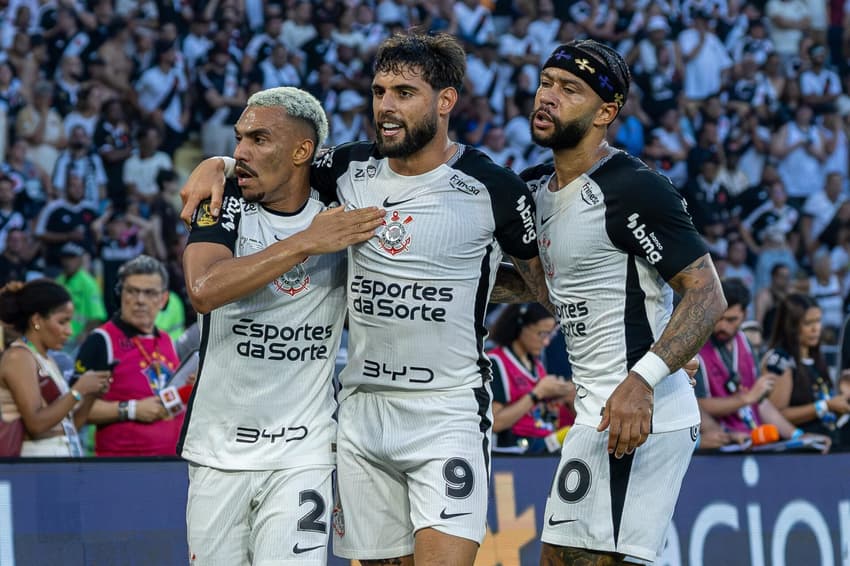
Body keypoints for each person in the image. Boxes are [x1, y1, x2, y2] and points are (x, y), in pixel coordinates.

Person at [179, 32, 546, 566]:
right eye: (378, 92)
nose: (386, 108)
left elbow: (548, 288)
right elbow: (278, 157)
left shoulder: (493, 188)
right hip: (360, 412)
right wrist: (216, 163)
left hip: (446, 409)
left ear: (445, 101)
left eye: (403, 93)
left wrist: (644, 355)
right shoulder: (346, 170)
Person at [515, 39, 726, 564]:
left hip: (636, 412)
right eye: (545, 83)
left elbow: (706, 294)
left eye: (569, 89)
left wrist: (642, 381)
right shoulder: (538, 191)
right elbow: (549, 284)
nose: (548, 97)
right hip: (598, 408)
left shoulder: (634, 188)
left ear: (606, 112)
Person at [181, 86, 383, 566]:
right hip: (218, 451)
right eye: (238, 139)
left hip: (303, 451)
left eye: (259, 139)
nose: (241, 152)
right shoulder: (224, 202)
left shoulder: (340, 207)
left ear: (301, 151)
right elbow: (205, 289)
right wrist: (305, 244)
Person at [695, 278, 831, 452]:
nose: (722, 326)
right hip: (719, 445)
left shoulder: (745, 344)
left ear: (745, 314)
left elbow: (760, 401)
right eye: (718, 318)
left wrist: (798, 436)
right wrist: (745, 399)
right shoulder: (696, 348)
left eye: (731, 319)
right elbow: (697, 405)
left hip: (753, 441)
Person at [75, 255, 180, 456]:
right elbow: (75, 409)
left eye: (149, 293)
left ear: (163, 299)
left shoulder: (166, 340)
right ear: (119, 294)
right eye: (132, 291)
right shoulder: (101, 340)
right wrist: (131, 409)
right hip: (120, 468)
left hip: (169, 465)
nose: (140, 300)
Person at [0, 279, 111, 456]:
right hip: (34, 472)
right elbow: (36, 424)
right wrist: (77, 390)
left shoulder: (48, 360)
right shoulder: (19, 357)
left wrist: (91, 394)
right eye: (62, 322)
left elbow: (70, 426)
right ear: (37, 320)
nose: (70, 331)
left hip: (58, 469)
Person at [763, 293, 850, 449]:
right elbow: (776, 414)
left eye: (818, 321)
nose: (815, 328)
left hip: (828, 443)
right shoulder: (780, 359)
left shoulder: (815, 356)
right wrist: (825, 406)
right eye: (808, 323)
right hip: (800, 451)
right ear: (791, 326)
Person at [487, 303, 574, 454]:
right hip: (512, 452)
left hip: (543, 445)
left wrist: (562, 396)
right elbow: (495, 422)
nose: (546, 342)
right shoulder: (496, 362)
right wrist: (537, 394)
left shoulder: (537, 364)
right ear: (521, 327)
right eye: (542, 334)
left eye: (550, 335)